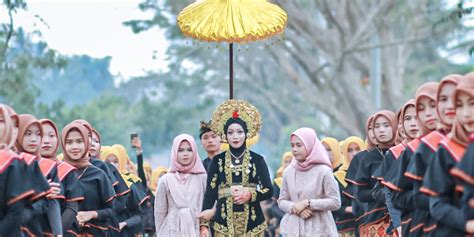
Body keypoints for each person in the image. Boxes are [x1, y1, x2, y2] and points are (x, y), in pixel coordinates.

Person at [199, 99, 273, 237]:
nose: (235, 136)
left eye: (239, 132)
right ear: (225, 136)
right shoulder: (217, 161)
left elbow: (269, 190)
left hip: (253, 224)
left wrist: (250, 195)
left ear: (246, 133)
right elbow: (210, 193)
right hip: (223, 225)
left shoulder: (258, 160)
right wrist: (203, 225)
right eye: (230, 132)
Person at [422, 72, 474, 235]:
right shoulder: (445, 148)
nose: (465, 113)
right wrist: (467, 225)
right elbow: (437, 204)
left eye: (471, 103)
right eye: (459, 105)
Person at [277, 127, 340, 236]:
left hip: (319, 229)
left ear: (310, 145)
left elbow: (335, 202)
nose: (294, 149)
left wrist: (308, 203)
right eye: (292, 146)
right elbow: (281, 201)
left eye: (299, 145)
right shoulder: (289, 171)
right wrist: (296, 208)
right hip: (294, 229)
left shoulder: (323, 171)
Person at [61, 122, 116, 236]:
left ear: (86, 143)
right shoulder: (58, 172)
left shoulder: (98, 174)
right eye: (69, 142)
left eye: (79, 141)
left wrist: (92, 214)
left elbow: (112, 210)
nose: (75, 147)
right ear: (63, 145)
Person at [154, 134, 207, 236]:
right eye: (181, 150)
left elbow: (208, 205)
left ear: (195, 152)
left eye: (189, 150)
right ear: (174, 152)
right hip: (171, 230)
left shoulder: (202, 178)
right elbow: (159, 212)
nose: (185, 154)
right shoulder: (165, 180)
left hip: (196, 229)